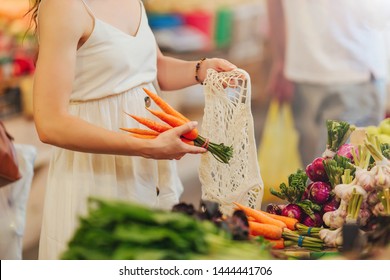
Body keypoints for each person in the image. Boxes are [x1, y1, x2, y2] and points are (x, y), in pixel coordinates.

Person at [30, 0, 237, 260]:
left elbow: (153, 68)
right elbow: (50, 123)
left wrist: (201, 69)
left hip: (146, 168)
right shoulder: (64, 6)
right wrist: (146, 147)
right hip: (96, 171)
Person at [266, 0, 390, 167]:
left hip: (303, 67)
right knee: (349, 180)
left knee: (318, 179)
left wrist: (280, 60)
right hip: (355, 69)